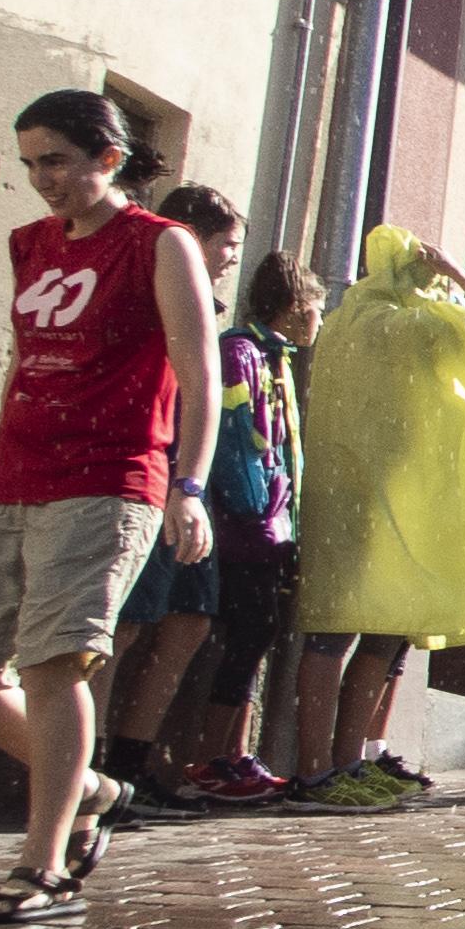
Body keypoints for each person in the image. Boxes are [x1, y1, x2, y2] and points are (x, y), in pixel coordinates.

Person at [0, 89, 220, 924]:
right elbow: (22, 362)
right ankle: (92, 788)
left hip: (109, 480)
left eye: (57, 160)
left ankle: (42, 866)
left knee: (54, 665)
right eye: (31, 163)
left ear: (107, 158)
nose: (42, 179)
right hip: (11, 476)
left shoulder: (161, 245)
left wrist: (189, 488)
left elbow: (200, 376)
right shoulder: (30, 245)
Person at [285, 238, 465, 815]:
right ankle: (321, 771)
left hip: (362, 498)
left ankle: (337, 766)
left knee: (362, 630)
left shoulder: (350, 319)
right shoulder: (413, 324)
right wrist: (458, 275)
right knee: (354, 632)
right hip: (381, 500)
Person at [97, 184, 252, 818]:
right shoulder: (149, 286)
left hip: (192, 487)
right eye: (226, 246)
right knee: (124, 628)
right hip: (146, 476)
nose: (230, 259)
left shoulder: (206, 308)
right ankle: (93, 774)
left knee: (187, 622)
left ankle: (134, 767)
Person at [171, 251, 315, 799]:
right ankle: (212, 759)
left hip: (266, 528)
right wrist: (258, 513)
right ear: (298, 306)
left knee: (255, 635)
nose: (318, 323)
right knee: (244, 635)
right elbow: (239, 444)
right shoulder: (242, 353)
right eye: (316, 309)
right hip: (243, 529)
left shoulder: (272, 356)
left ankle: (234, 756)